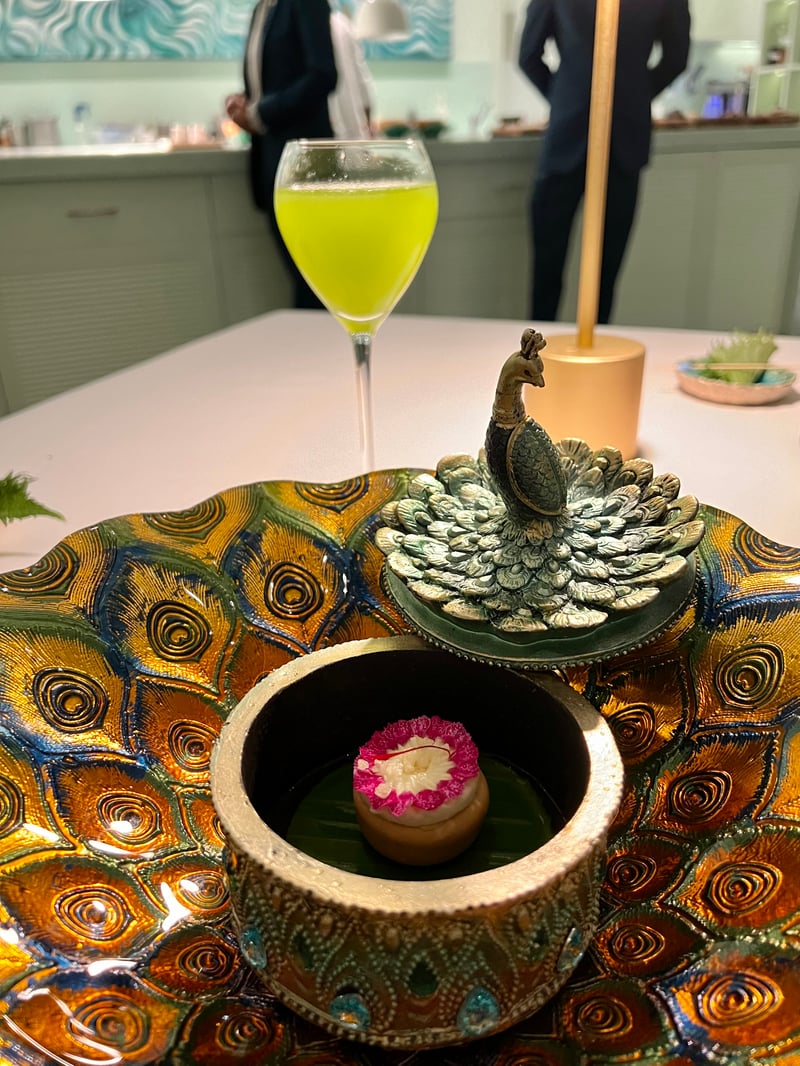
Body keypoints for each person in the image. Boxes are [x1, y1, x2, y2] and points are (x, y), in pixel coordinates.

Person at [518, 0, 691, 324]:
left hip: (618, 140)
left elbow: (676, 57)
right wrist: (566, 96)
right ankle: (539, 346)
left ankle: (596, 345)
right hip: (574, 137)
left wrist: (627, 94)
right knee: (549, 268)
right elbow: (528, 55)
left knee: (605, 271)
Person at [227, 0, 338, 310]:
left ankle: (318, 341)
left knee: (316, 280)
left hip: (307, 163)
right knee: (304, 279)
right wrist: (246, 104)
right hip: (271, 157)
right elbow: (273, 79)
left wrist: (260, 111)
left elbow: (323, 74)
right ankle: (310, 340)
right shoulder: (262, 9)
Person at [328, 6, 376, 140]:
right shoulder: (343, 24)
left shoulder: (340, 24)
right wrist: (368, 124)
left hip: (328, 131)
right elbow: (362, 79)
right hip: (353, 131)